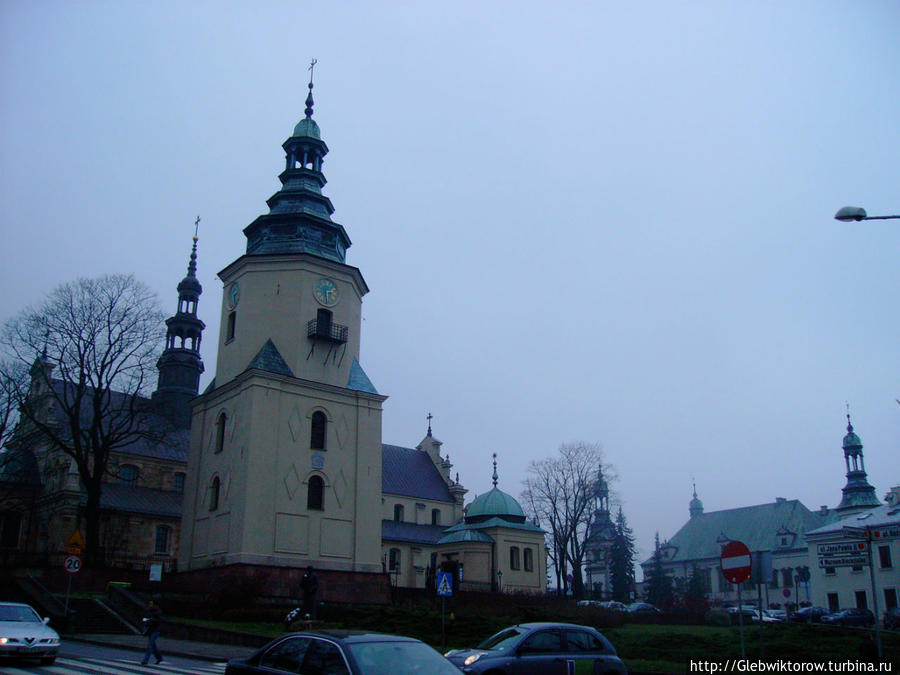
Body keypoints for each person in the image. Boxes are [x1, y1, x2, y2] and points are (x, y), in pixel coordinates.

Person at [141, 599, 164, 665]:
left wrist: (150, 620)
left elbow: (159, 620)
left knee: (150, 645)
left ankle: (145, 660)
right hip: (150, 630)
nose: (149, 605)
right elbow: (145, 618)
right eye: (149, 604)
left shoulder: (158, 612)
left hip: (156, 630)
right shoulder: (149, 611)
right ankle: (159, 658)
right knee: (153, 646)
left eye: (151, 604)